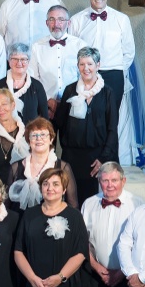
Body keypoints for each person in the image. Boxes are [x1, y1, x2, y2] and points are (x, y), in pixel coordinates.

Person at [54, 47, 119, 202]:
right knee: (71, 201)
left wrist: (103, 158)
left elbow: (112, 128)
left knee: (93, 201)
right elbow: (60, 123)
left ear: (98, 65)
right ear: (77, 66)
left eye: (90, 64)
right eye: (82, 64)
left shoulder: (108, 93)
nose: (86, 68)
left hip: (96, 157)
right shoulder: (70, 90)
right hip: (72, 156)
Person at [69, 0, 135, 118]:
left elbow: (129, 52)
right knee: (87, 118)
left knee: (111, 118)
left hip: (114, 75)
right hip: (86, 75)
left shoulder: (122, 19)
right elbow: (71, 51)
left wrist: (117, 68)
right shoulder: (76, 21)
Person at [29, 5, 87, 118]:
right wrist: (47, 101)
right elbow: (33, 79)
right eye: (52, 19)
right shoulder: (36, 47)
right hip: (45, 107)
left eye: (61, 19)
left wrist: (73, 101)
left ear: (68, 23)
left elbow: (85, 76)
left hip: (74, 105)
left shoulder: (80, 46)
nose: (56, 24)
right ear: (46, 23)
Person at [8, 117, 79, 210]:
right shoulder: (15, 167)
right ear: (28, 141)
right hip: (20, 222)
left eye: (43, 135)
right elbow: (6, 203)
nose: (38, 139)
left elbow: (73, 205)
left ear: (51, 139)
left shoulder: (63, 167)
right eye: (34, 135)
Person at [0, 43, 48, 125]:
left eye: (23, 59)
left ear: (28, 62)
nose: (19, 63)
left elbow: (44, 118)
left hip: (30, 136)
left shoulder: (37, 86)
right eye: (15, 59)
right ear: (9, 62)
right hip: (3, 135)